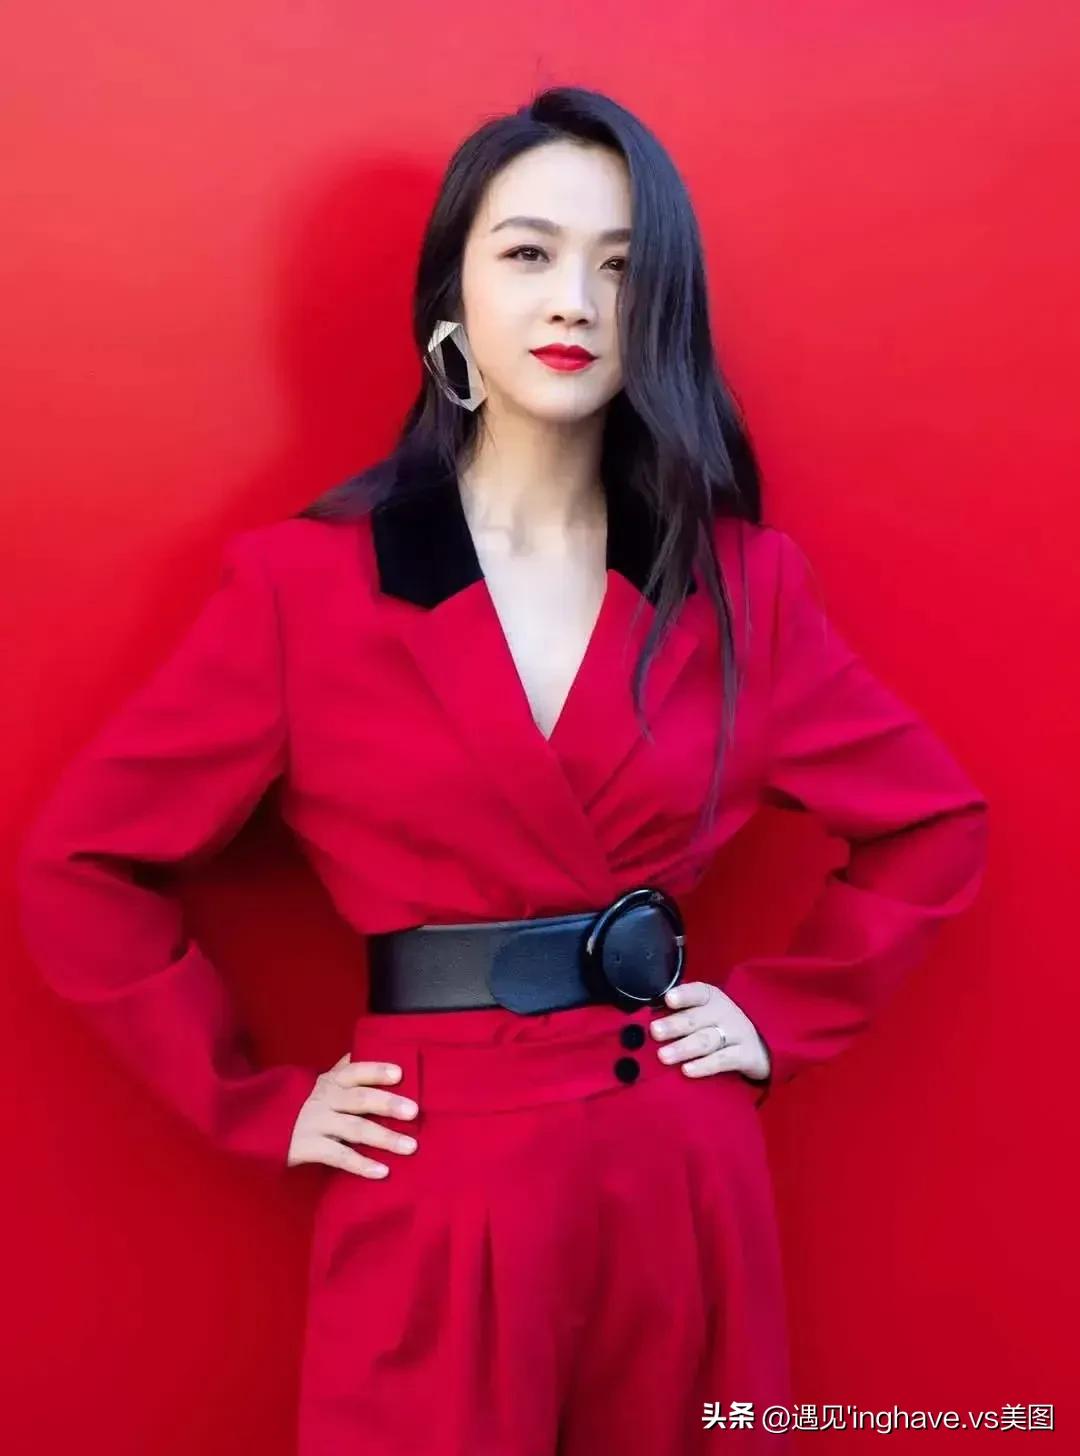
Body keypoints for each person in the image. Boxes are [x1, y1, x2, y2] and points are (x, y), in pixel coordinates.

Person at [14, 86, 989, 1456]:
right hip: (434, 1175)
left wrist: (781, 1015)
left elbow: (935, 824)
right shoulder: (307, 588)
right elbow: (78, 867)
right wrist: (257, 1105)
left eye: (621, 266)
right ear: (452, 299)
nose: (575, 299)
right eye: (529, 252)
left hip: (678, 1176)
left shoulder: (738, 586)